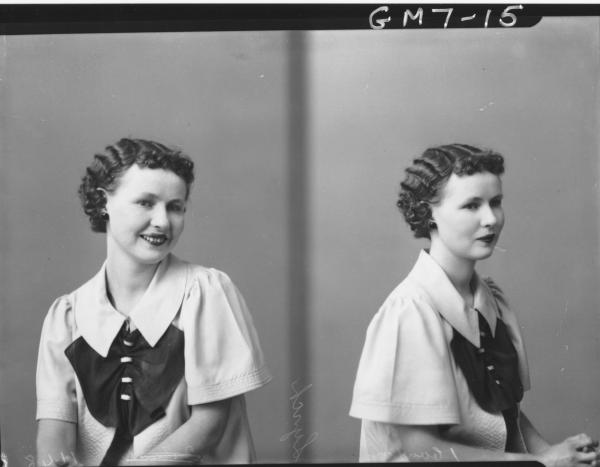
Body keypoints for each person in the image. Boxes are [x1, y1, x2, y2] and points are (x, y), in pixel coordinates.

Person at [349, 144, 599, 465]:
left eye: (495, 203)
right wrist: (540, 463)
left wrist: (552, 452)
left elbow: (505, 411)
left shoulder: (490, 299)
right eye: (471, 205)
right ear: (429, 214)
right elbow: (420, 450)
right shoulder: (410, 312)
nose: (491, 219)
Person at [35, 138, 272, 466]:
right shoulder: (67, 317)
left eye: (175, 206)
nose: (162, 220)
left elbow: (209, 425)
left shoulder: (204, 293)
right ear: (104, 202)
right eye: (146, 203)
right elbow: (54, 430)